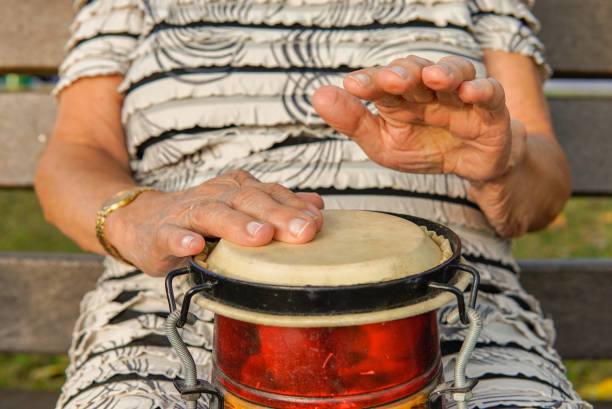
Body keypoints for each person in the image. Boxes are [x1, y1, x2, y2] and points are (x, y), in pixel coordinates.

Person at [35, 0, 587, 408]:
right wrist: (139, 217)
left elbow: (539, 195)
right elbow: (77, 153)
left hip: (452, 315)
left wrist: (499, 163)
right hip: (176, 316)